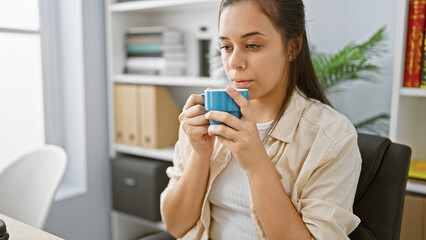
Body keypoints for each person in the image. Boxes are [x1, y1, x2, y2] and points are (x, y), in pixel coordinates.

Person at [160, 0, 362, 239]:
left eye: (252, 45)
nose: (234, 62)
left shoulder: (331, 136)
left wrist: (256, 163)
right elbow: (175, 226)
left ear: (293, 47)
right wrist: (201, 154)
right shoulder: (207, 115)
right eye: (226, 47)